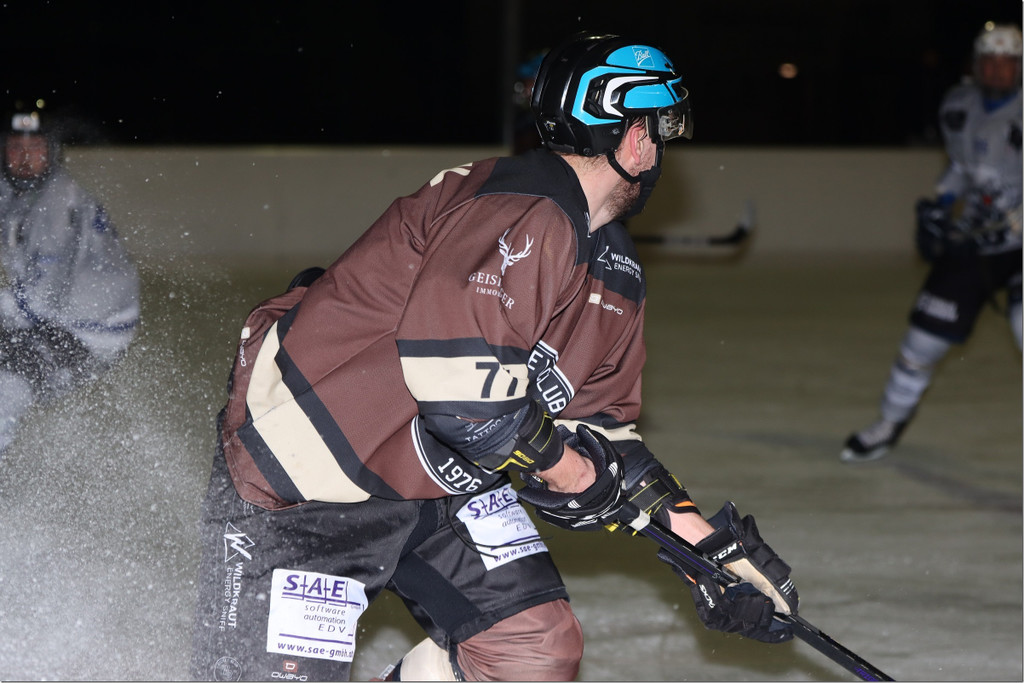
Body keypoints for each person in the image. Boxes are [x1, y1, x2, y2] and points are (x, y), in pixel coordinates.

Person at [190, 33, 799, 682]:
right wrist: (573, 474)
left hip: (437, 484)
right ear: (633, 138)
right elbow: (463, 400)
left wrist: (705, 547)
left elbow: (597, 428)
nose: (662, 150)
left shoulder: (614, 269)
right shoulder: (520, 208)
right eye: (662, 129)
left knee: (531, 653)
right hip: (310, 481)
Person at [841, 24, 1023, 463]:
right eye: (990, 61)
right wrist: (941, 204)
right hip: (975, 240)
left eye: (1008, 62)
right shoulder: (959, 105)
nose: (997, 70)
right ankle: (890, 422)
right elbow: (963, 166)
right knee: (922, 342)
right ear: (976, 65)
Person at [0, 109, 140, 454]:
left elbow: (44, 298)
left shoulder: (57, 204)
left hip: (91, 331)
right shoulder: (21, 190)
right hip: (65, 317)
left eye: (35, 148)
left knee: (12, 369)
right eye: (16, 148)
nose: (25, 158)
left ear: (52, 153)